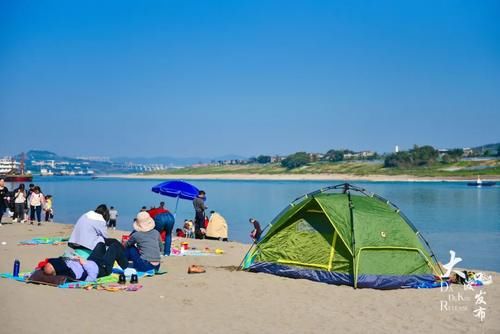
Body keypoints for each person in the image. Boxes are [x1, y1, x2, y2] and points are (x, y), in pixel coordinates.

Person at [38, 239, 128, 281]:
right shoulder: (72, 273)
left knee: (100, 244)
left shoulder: (63, 264)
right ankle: (126, 267)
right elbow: (92, 277)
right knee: (114, 247)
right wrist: (84, 263)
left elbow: (53, 263)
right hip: (102, 268)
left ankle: (119, 256)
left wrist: (73, 257)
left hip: (92, 261)